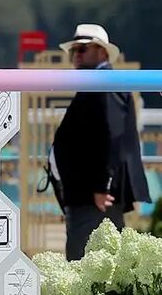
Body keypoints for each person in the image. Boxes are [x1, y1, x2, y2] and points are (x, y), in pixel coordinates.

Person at [50, 23, 149, 260]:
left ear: (102, 52)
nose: (76, 56)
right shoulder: (99, 84)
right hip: (89, 196)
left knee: (86, 267)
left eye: (83, 49)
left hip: (94, 199)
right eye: (74, 51)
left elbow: (111, 135)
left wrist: (102, 186)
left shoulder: (105, 83)